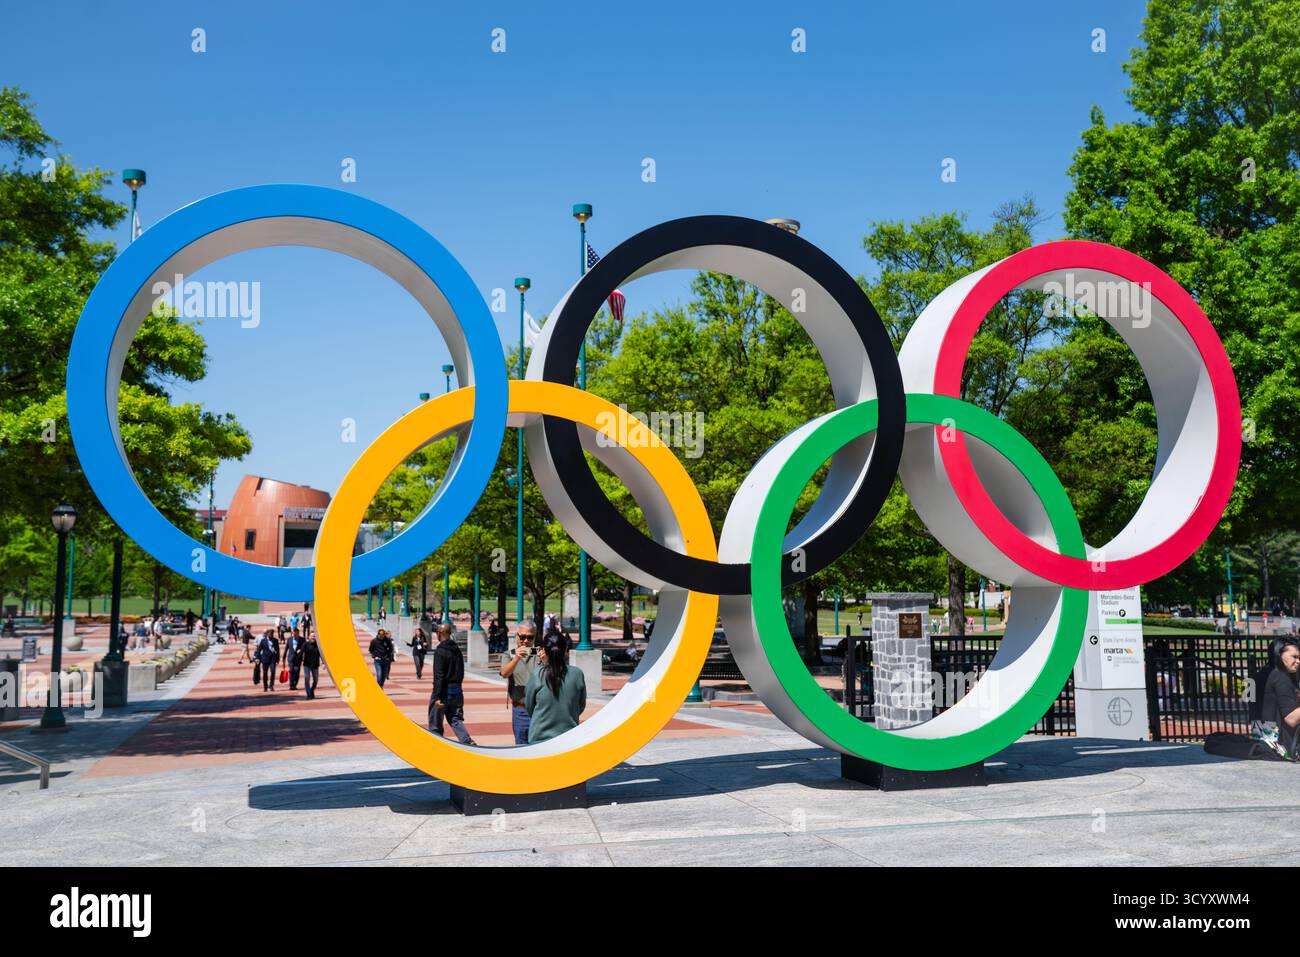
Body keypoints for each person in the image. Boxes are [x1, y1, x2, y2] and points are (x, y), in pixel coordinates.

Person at [524, 630, 586, 744]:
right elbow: (580, 706)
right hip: (569, 738)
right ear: (566, 649)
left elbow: (529, 706)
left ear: (544, 650)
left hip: (539, 739)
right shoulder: (577, 674)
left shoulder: (538, 674)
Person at [428, 623, 475, 744]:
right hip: (457, 691)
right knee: (455, 719)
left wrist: (438, 696)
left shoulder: (440, 651)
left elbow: (439, 675)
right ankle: (466, 741)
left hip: (444, 691)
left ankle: (436, 744)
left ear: (439, 633)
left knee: (435, 723)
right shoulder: (456, 650)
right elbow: (461, 671)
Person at [1254, 639, 1300, 759]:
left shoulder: (1260, 675)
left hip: (1261, 743)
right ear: (1279, 655)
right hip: (1283, 748)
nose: (1298, 661)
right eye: (1294, 657)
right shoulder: (1281, 677)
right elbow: (1291, 719)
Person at [499, 621, 538, 745]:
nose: (526, 641)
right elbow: (504, 673)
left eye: (530, 637)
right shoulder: (508, 654)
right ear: (516, 636)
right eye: (522, 637)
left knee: (539, 747)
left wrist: (547, 661)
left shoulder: (540, 654)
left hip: (539, 710)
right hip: (520, 710)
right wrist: (516, 658)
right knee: (521, 747)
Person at [301, 632, 322, 699]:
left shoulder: (318, 645)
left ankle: (312, 690)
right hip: (307, 665)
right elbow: (301, 653)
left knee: (316, 680)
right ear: (309, 637)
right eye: (312, 636)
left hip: (315, 665)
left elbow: (322, 655)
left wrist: (324, 663)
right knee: (307, 678)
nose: (313, 638)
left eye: (314, 636)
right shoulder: (305, 644)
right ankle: (308, 694)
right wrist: (296, 663)